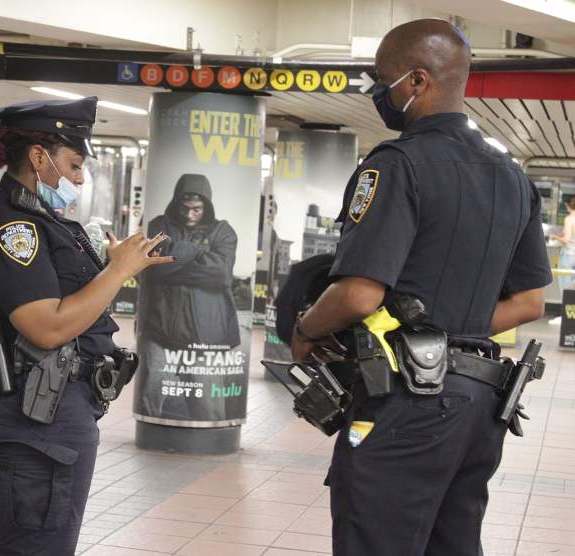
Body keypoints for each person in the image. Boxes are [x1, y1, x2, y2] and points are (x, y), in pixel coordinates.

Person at [290, 19, 551, 556]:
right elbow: (528, 302)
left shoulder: (395, 166)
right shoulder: (512, 176)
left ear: (416, 81)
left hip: (405, 402)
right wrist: (454, 329)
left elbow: (359, 293)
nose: (376, 93)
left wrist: (305, 328)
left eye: (382, 81)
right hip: (482, 405)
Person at [0, 97, 172, 555]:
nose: (79, 178)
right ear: (38, 157)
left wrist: (109, 266)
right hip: (32, 418)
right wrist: (117, 273)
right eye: (73, 164)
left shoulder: (42, 221)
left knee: (47, 543)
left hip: (51, 413)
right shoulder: (11, 228)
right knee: (35, 547)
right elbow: (46, 328)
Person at [135, 173, 239, 418]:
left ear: (207, 206)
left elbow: (221, 275)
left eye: (197, 209)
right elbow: (156, 268)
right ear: (176, 204)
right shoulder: (159, 225)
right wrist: (198, 251)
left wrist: (176, 258)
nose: (190, 214)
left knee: (209, 411)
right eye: (185, 208)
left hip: (205, 338)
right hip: (160, 330)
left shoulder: (224, 231)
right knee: (149, 400)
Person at [551, 196, 575, 291]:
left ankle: (566, 305)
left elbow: (566, 239)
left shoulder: (569, 219)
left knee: (565, 287)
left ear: (567, 205)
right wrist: (560, 234)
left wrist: (554, 237)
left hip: (568, 256)